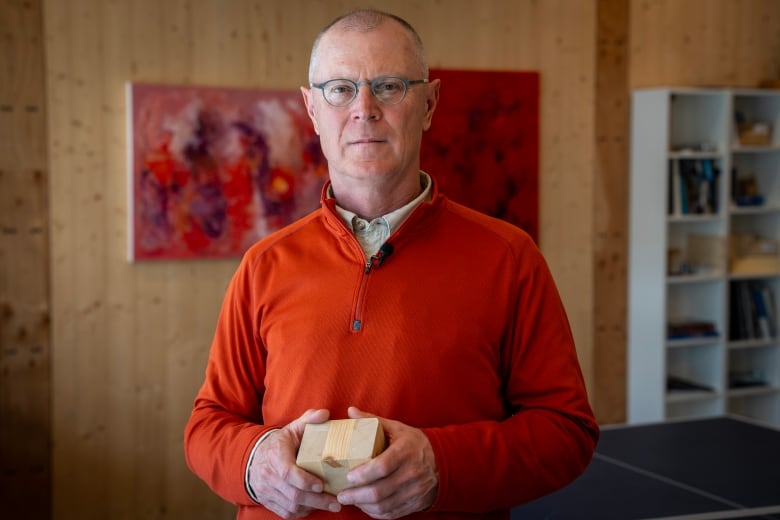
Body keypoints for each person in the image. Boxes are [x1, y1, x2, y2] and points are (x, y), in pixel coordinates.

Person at [184, 8, 598, 520]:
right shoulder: (263, 265)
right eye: (340, 89)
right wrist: (252, 463)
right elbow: (208, 424)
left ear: (429, 103)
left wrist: (442, 465)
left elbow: (566, 431)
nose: (365, 108)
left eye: (389, 85)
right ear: (311, 109)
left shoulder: (509, 258)